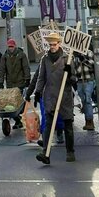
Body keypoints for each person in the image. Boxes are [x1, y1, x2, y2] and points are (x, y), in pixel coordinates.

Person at [30, 32, 77, 165]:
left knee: (68, 124)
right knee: (48, 126)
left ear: (59, 44)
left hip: (64, 96)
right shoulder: (45, 59)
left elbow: (74, 79)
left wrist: (69, 74)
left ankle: (70, 152)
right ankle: (46, 153)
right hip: (50, 96)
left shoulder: (67, 58)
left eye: (54, 44)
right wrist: (38, 92)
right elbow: (41, 77)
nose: (52, 47)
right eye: (50, 45)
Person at [0, 38, 31, 128]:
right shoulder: (5, 57)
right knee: (12, 105)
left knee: (19, 103)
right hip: (10, 84)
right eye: (9, 47)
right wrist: (1, 82)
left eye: (12, 46)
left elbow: (26, 67)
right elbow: (2, 70)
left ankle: (20, 118)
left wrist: (27, 79)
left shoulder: (21, 55)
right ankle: (18, 120)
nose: (11, 48)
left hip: (20, 82)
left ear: (15, 46)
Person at [74, 49, 96, 131]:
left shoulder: (89, 52)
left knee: (87, 100)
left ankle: (90, 121)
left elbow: (91, 65)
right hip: (79, 81)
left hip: (88, 80)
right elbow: (76, 70)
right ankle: (87, 120)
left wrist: (83, 59)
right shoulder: (74, 54)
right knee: (83, 101)